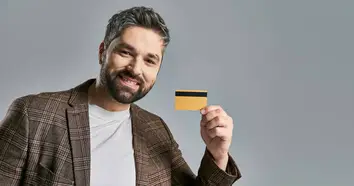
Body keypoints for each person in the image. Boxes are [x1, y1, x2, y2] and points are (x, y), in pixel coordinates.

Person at [0, 6, 241, 186]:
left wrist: (218, 153)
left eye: (150, 60)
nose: (136, 69)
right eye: (126, 52)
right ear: (103, 51)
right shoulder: (32, 114)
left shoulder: (156, 130)